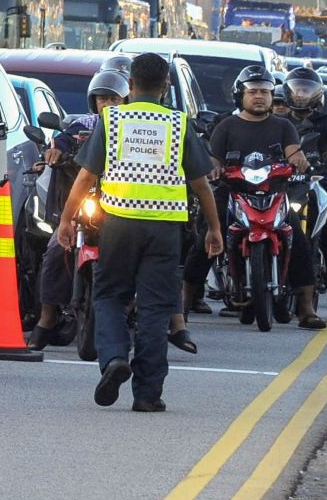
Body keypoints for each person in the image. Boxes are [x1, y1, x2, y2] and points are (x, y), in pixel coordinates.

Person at [57, 52, 222, 413]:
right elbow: (201, 184)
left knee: (109, 295)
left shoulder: (112, 119)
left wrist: (66, 220)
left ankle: (115, 357)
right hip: (165, 228)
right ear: (166, 86)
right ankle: (147, 394)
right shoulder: (179, 122)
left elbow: (86, 176)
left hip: (118, 223)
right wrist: (214, 228)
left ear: (130, 84)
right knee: (155, 308)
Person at [197, 66, 321, 329]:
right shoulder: (226, 126)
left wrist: (298, 159)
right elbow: (213, 159)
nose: (259, 97)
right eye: (253, 91)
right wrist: (214, 168)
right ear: (240, 95)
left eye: (265, 92)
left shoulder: (284, 126)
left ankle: (307, 308)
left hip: (274, 195)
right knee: (205, 239)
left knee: (299, 241)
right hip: (232, 194)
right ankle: (185, 304)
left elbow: (293, 151)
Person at [28, 68, 127, 350]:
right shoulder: (83, 124)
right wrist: (54, 152)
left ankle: (162, 320)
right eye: (102, 99)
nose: (107, 104)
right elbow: (61, 141)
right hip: (85, 203)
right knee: (54, 251)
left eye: (114, 99)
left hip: (123, 208)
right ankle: (46, 318)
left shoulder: (134, 127)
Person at [282, 67, 327, 324]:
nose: (300, 95)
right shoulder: (280, 122)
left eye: (305, 90)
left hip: (317, 185)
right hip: (285, 186)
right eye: (296, 90)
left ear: (317, 94)